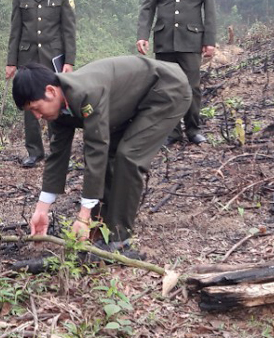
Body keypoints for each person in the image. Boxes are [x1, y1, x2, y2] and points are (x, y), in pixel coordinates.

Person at [12, 57, 190, 245]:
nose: (37, 116)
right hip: (128, 103)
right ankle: (100, 227)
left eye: (36, 108)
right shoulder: (58, 106)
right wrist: (41, 209)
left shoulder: (87, 94)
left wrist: (83, 215)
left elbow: (96, 149)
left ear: (50, 91)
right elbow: (57, 155)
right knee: (111, 157)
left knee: (128, 156)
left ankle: (119, 237)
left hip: (167, 90)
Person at [136, 0, 216, 145]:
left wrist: (209, 41)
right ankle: (171, 132)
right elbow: (147, 8)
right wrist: (142, 36)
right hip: (165, 41)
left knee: (191, 87)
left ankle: (193, 129)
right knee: (166, 88)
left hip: (190, 41)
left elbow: (210, 11)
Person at [6, 0, 77, 167]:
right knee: (30, 103)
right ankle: (35, 151)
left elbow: (68, 30)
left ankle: (58, 148)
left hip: (53, 57)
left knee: (56, 101)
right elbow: (15, 31)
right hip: (28, 57)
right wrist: (11, 62)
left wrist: (69, 61)